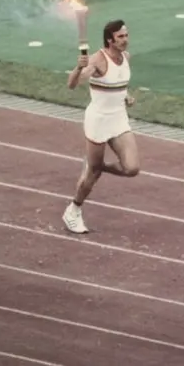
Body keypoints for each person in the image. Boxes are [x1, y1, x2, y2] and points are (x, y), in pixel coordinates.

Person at [63, 18, 138, 235]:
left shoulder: (126, 57)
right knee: (92, 176)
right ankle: (73, 210)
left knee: (132, 168)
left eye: (126, 35)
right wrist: (79, 67)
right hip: (98, 121)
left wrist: (126, 96)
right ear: (110, 40)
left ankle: (95, 164)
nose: (125, 40)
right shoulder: (97, 60)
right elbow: (72, 84)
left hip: (119, 119)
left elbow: (118, 84)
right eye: (120, 36)